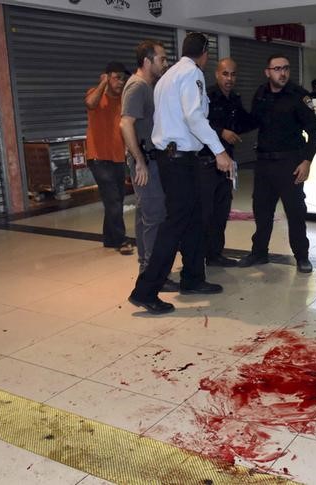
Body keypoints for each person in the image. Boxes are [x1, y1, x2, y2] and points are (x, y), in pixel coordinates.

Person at [128, 32, 233, 315]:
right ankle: (146, 290)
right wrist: (219, 151)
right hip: (178, 160)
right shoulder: (191, 74)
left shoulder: (168, 76)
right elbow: (194, 116)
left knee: (194, 219)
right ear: (205, 53)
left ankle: (193, 278)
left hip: (176, 158)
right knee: (175, 223)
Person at [237, 54, 316, 273]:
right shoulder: (261, 94)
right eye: (277, 69)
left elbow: (313, 131)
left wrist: (307, 161)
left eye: (286, 68)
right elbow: (253, 121)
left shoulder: (298, 96)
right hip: (264, 164)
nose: (282, 73)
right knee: (262, 211)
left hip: (290, 163)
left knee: (295, 212)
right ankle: (259, 253)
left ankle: (302, 256)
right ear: (267, 72)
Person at [120, 40, 179, 293]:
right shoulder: (138, 87)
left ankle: (146, 270)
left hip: (149, 158)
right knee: (154, 218)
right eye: (162, 59)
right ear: (147, 61)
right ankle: (153, 276)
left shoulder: (147, 86)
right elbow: (125, 124)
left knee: (146, 217)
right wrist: (140, 162)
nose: (165, 64)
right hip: (145, 160)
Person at [197, 57, 255, 267]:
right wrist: (221, 132)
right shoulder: (207, 96)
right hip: (206, 162)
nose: (229, 78)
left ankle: (215, 255)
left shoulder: (234, 99)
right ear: (216, 74)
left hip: (227, 163)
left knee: (221, 211)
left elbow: (244, 122)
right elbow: (197, 122)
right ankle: (197, 258)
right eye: (225, 74)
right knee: (205, 213)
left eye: (233, 74)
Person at [85, 61, 133, 255]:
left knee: (116, 199)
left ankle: (109, 238)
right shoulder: (95, 94)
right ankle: (121, 240)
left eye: (123, 78)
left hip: (118, 158)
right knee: (113, 199)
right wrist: (103, 84)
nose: (121, 82)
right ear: (106, 77)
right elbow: (90, 104)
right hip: (98, 157)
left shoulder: (123, 100)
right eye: (117, 78)